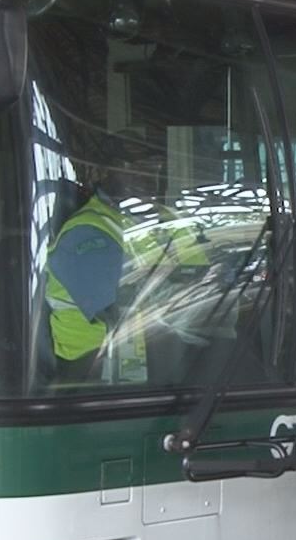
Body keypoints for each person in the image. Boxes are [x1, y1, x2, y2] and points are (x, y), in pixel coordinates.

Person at [44, 154, 206, 383]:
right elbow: (120, 304)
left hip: (158, 345)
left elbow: (206, 275)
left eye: (154, 168)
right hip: (91, 365)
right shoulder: (87, 229)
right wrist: (177, 282)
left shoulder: (168, 219)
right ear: (107, 175)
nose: (148, 177)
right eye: (134, 169)